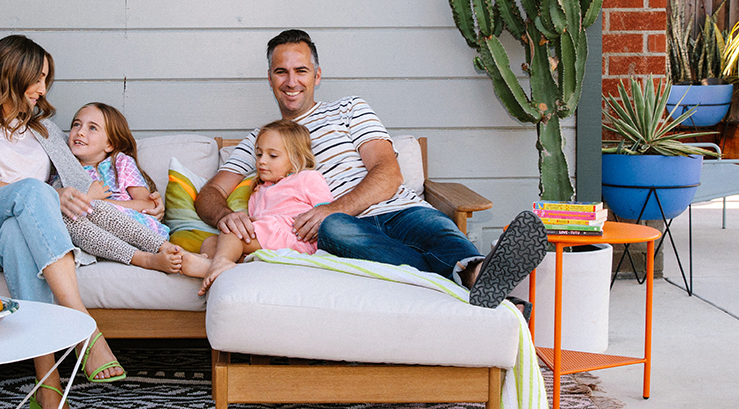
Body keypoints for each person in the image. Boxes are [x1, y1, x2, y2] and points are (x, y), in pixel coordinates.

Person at [195, 29, 546, 308]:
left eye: (301, 70)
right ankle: (477, 282)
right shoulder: (262, 140)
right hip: (345, 229)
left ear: (317, 75)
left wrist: (333, 206)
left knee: (436, 228)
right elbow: (209, 194)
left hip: (398, 209)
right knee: (334, 231)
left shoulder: (350, 109)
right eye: (281, 71)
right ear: (269, 78)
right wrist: (225, 214)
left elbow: (388, 172)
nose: (291, 81)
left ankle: (477, 270)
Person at [0, 35, 124, 409]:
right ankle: (82, 324)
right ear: (10, 76)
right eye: (36, 80)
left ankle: (48, 386)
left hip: (17, 228)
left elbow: (77, 186)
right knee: (32, 191)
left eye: (45, 80)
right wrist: (39, 193)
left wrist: (138, 209)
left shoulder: (45, 129)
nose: (42, 90)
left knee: (19, 237)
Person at [187, 119, 334, 294]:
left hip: (294, 236)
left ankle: (218, 262)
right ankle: (217, 265)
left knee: (234, 231)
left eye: (272, 156)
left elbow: (327, 212)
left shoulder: (308, 178)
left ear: (296, 158)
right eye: (259, 154)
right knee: (212, 241)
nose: (262, 161)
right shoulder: (258, 189)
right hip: (267, 237)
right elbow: (258, 220)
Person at [63, 101, 199, 274]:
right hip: (102, 242)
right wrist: (90, 200)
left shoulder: (120, 162)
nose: (80, 132)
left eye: (92, 128)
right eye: (76, 124)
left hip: (140, 231)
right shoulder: (66, 170)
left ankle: (178, 253)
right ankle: (151, 258)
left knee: (92, 207)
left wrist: (101, 202)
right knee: (75, 216)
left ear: (110, 144)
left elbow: (147, 204)